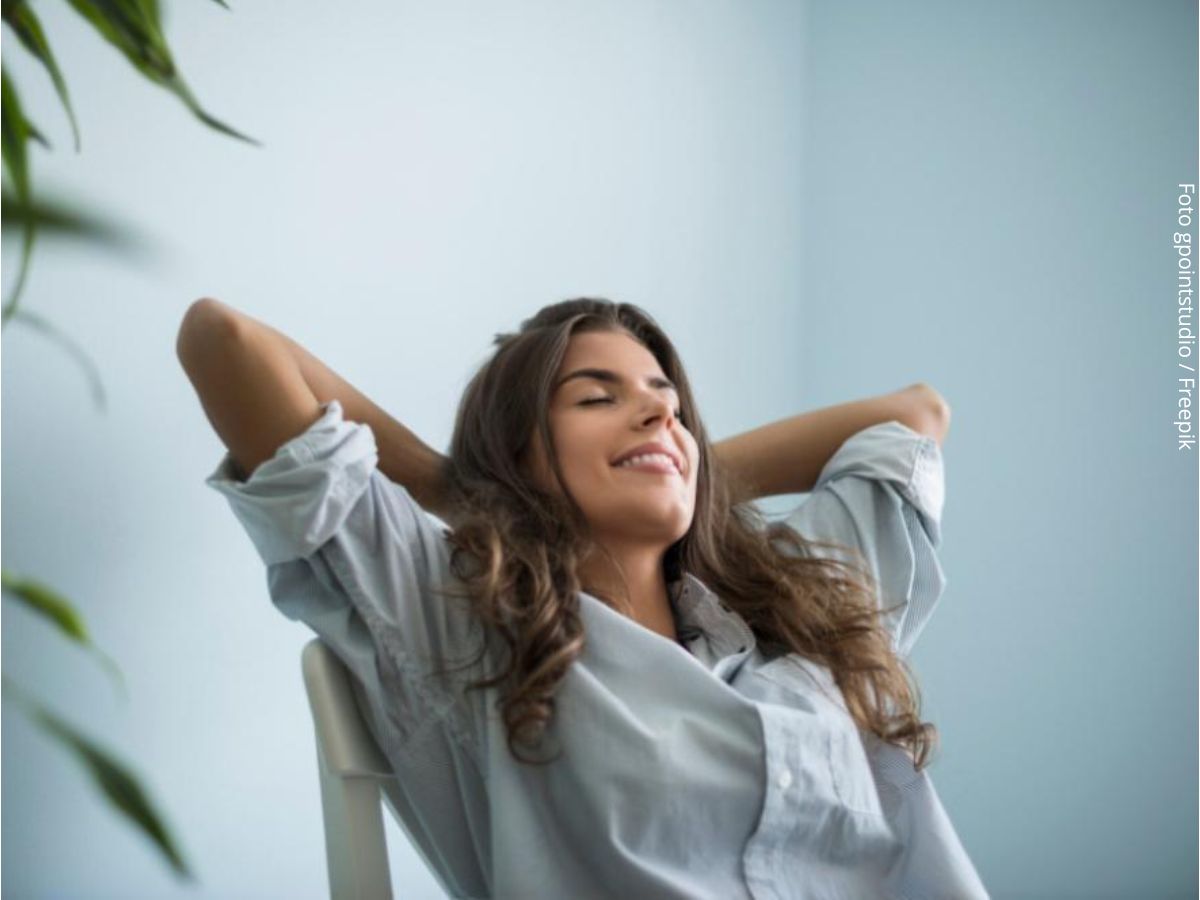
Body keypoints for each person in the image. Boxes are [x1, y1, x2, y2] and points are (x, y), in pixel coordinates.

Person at [178, 295, 989, 899]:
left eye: (669, 404)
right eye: (598, 397)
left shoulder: (800, 618)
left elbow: (916, 417)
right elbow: (225, 341)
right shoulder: (461, 626)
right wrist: (471, 494)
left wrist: (674, 464)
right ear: (520, 453)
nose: (658, 411)